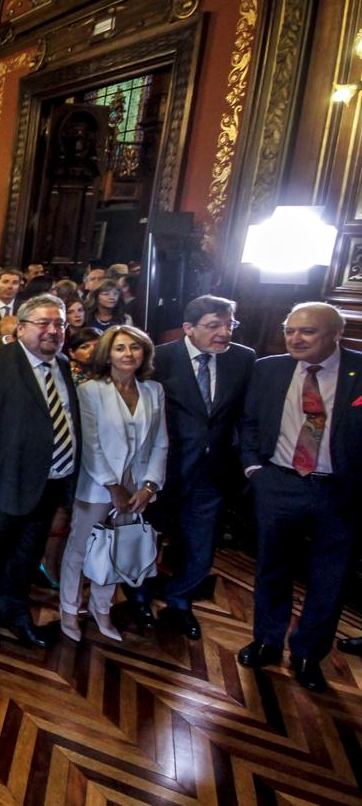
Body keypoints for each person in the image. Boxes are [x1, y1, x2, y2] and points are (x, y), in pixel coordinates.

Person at [236, 302, 361, 693]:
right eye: (290, 330)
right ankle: (267, 640)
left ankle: (308, 654)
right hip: (279, 483)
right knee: (272, 568)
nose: (296, 338)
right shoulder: (268, 368)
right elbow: (250, 421)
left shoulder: (359, 371)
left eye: (307, 331)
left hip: (338, 491)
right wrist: (254, 468)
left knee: (330, 577)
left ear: (335, 334)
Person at [0, 294, 81, 652]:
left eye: (59, 324)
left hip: (50, 483)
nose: (53, 331)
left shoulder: (63, 365)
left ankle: (16, 612)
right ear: (21, 327)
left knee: (26, 558)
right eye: (43, 323)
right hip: (0, 482)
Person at [132, 296, 254, 637]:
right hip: (162, 470)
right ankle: (139, 597)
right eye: (214, 326)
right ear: (188, 328)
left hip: (213, 472)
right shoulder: (159, 357)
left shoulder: (243, 359)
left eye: (229, 325)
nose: (224, 333)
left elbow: (245, 416)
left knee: (201, 544)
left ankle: (181, 602)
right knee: (147, 539)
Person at [59, 325, 168, 643]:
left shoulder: (153, 390)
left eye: (135, 348)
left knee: (116, 547)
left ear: (144, 353)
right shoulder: (90, 390)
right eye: (120, 348)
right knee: (81, 549)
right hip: (98, 485)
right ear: (108, 354)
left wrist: (150, 485)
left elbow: (161, 441)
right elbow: (91, 444)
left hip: (137, 485)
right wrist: (112, 486)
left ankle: (101, 610)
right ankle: (69, 608)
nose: (128, 354)